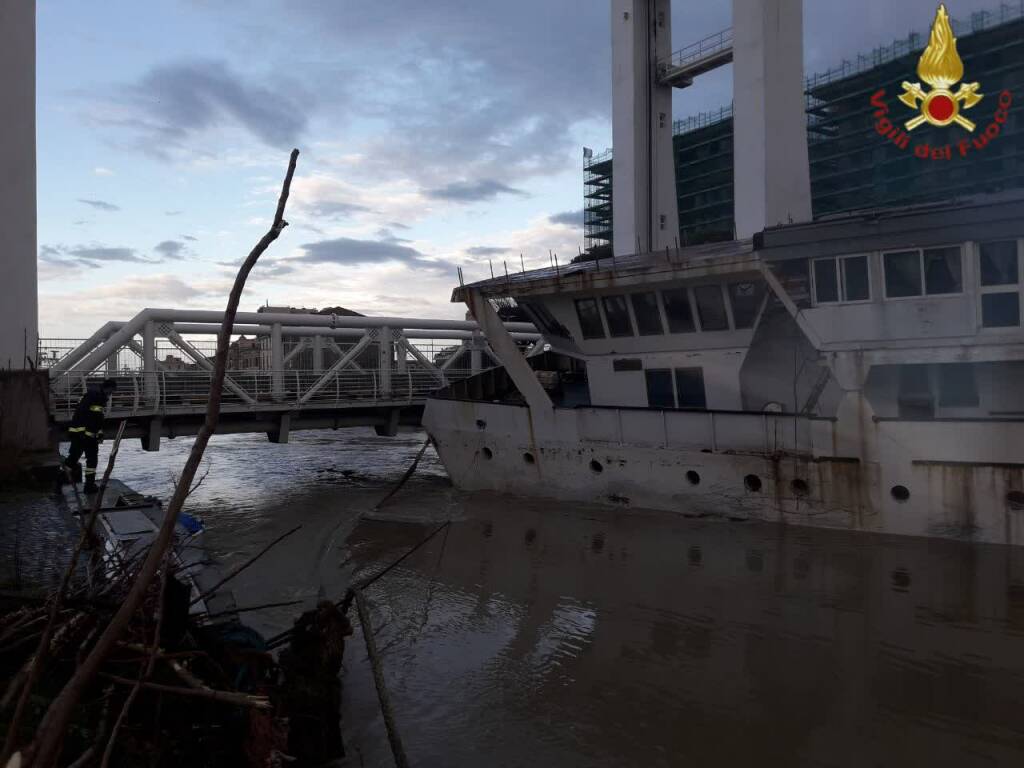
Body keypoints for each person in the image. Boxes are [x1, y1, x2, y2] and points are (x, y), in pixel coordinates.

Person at [63, 378, 117, 494]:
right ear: (108, 388)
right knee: (74, 460)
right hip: (82, 435)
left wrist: (99, 433)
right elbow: (85, 415)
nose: (111, 394)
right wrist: (84, 433)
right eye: (112, 391)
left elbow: (96, 418)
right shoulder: (95, 396)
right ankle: (60, 483)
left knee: (90, 461)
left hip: (87, 435)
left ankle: (89, 486)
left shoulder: (96, 396)